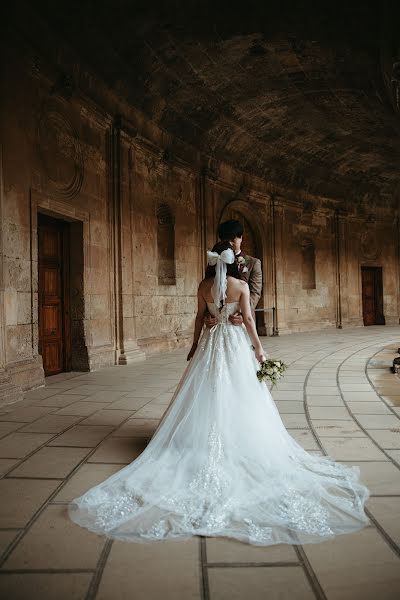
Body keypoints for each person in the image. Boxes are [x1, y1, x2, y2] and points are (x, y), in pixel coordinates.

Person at [69, 242, 369, 545]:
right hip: (235, 343)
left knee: (206, 389)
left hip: (212, 343)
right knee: (240, 393)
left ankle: (197, 438)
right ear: (233, 262)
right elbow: (249, 320)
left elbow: (200, 318)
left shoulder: (203, 285)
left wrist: (194, 343)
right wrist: (259, 349)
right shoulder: (239, 286)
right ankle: (239, 439)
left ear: (212, 263)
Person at [205, 220, 262, 329]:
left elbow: (255, 292)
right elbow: (208, 287)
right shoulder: (215, 260)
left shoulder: (253, 263)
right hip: (218, 321)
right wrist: (207, 313)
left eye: (232, 239)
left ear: (241, 238)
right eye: (225, 240)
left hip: (243, 320)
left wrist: (244, 314)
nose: (229, 243)